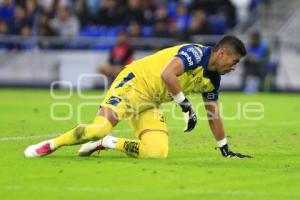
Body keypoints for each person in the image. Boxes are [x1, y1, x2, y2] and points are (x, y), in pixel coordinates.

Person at [24, 35, 252, 159]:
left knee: (157, 153)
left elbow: (213, 114)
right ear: (221, 53)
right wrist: (185, 106)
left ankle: (108, 143)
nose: (234, 66)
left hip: (151, 102)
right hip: (133, 84)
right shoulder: (195, 53)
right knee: (99, 128)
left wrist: (225, 149)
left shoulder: (213, 80)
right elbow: (167, 74)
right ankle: (51, 145)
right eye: (235, 61)